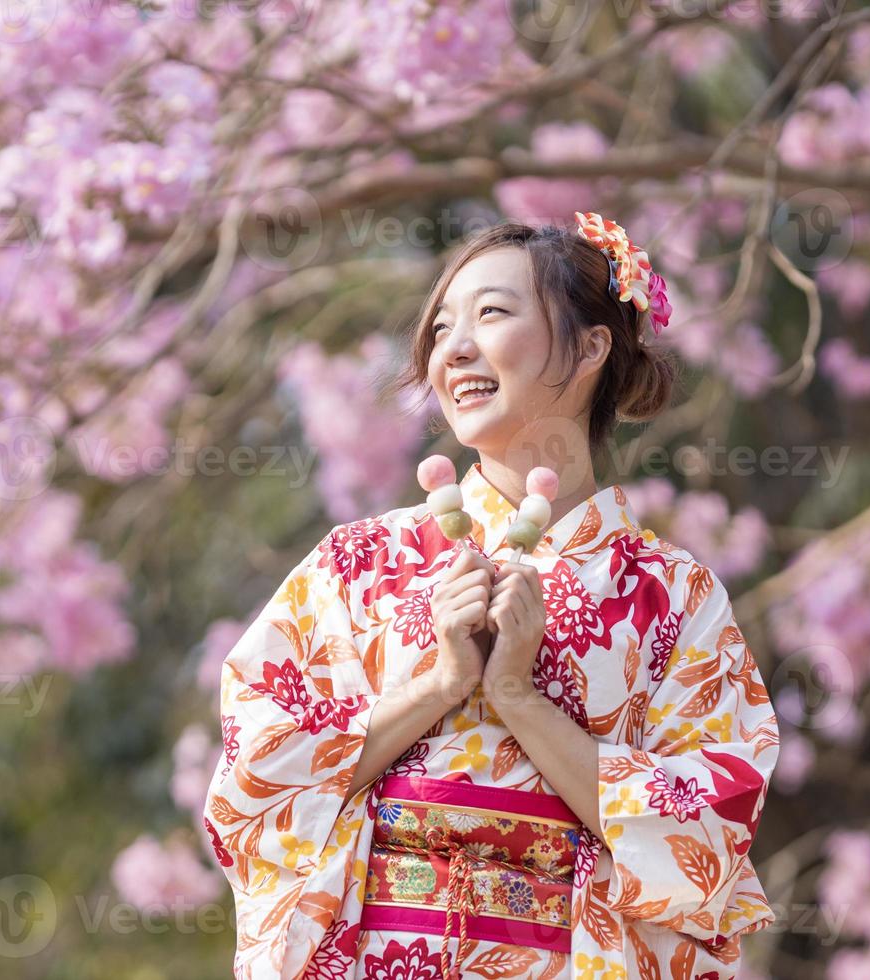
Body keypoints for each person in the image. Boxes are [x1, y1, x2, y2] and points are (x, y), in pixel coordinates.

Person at [203, 213, 780, 979]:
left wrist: (519, 697)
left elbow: (710, 835)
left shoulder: (673, 595)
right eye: (442, 328)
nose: (455, 349)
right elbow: (255, 782)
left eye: (492, 314)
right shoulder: (358, 562)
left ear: (589, 347)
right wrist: (442, 684)